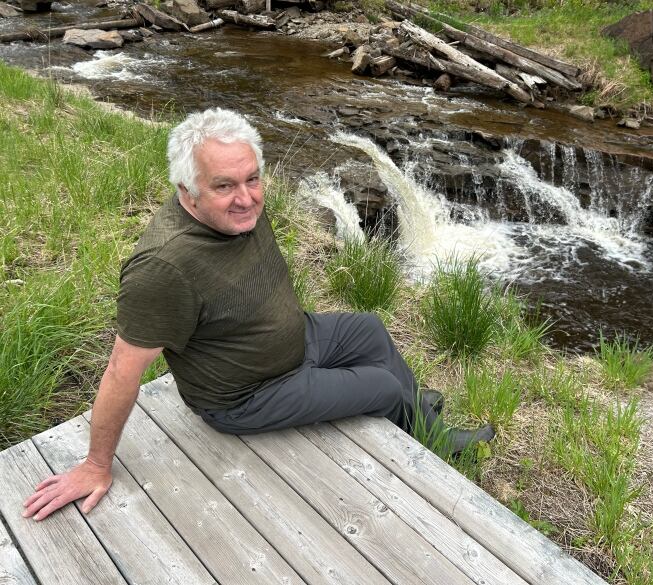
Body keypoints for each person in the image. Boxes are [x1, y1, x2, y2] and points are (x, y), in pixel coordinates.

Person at [22, 108, 494, 522]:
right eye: (224, 185)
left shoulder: (238, 208)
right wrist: (95, 465)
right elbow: (121, 371)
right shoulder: (164, 268)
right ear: (187, 190)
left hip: (294, 341)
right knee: (383, 385)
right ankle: (422, 429)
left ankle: (421, 422)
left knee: (367, 328)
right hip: (249, 393)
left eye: (252, 178)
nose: (246, 197)